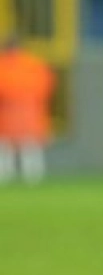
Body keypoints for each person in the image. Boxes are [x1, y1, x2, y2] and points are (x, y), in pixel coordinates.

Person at [0, 35, 56, 185]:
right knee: (8, 148)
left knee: (28, 147)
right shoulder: (32, 65)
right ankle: (16, 179)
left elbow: (45, 87)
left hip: (22, 111)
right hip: (14, 112)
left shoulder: (32, 65)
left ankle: (31, 179)